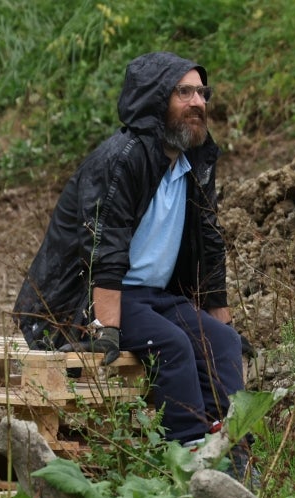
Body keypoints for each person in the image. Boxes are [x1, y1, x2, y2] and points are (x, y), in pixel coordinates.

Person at [15, 51, 251, 476]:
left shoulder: (195, 162)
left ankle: (232, 448)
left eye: (202, 92)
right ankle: (190, 459)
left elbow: (210, 248)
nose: (198, 102)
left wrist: (224, 322)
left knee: (224, 345)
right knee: (174, 347)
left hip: (155, 296)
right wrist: (105, 329)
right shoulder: (124, 157)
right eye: (184, 92)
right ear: (155, 99)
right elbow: (101, 246)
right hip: (92, 299)